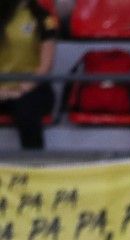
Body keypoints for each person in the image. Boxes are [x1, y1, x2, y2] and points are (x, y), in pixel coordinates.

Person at [0, 0, 57, 150]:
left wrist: (20, 89)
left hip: (32, 87)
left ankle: (33, 167)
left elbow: (45, 66)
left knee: (27, 114)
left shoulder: (44, 18)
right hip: (1, 87)